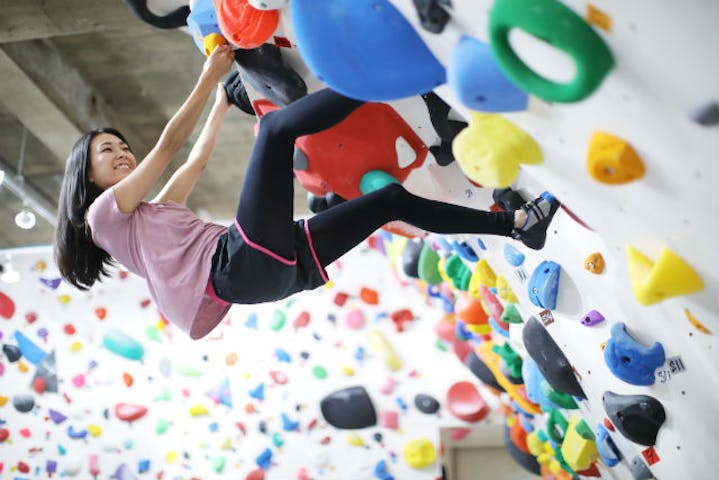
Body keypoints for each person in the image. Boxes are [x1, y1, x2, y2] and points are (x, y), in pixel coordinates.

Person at [55, 45, 560, 340]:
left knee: (389, 202)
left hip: (267, 275)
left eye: (122, 145)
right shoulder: (101, 216)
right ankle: (379, 76)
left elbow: (194, 161)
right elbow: (166, 147)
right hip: (237, 266)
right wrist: (210, 75)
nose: (122, 152)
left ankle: (517, 226)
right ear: (87, 176)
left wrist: (222, 105)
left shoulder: (151, 220)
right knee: (277, 133)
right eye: (108, 151)